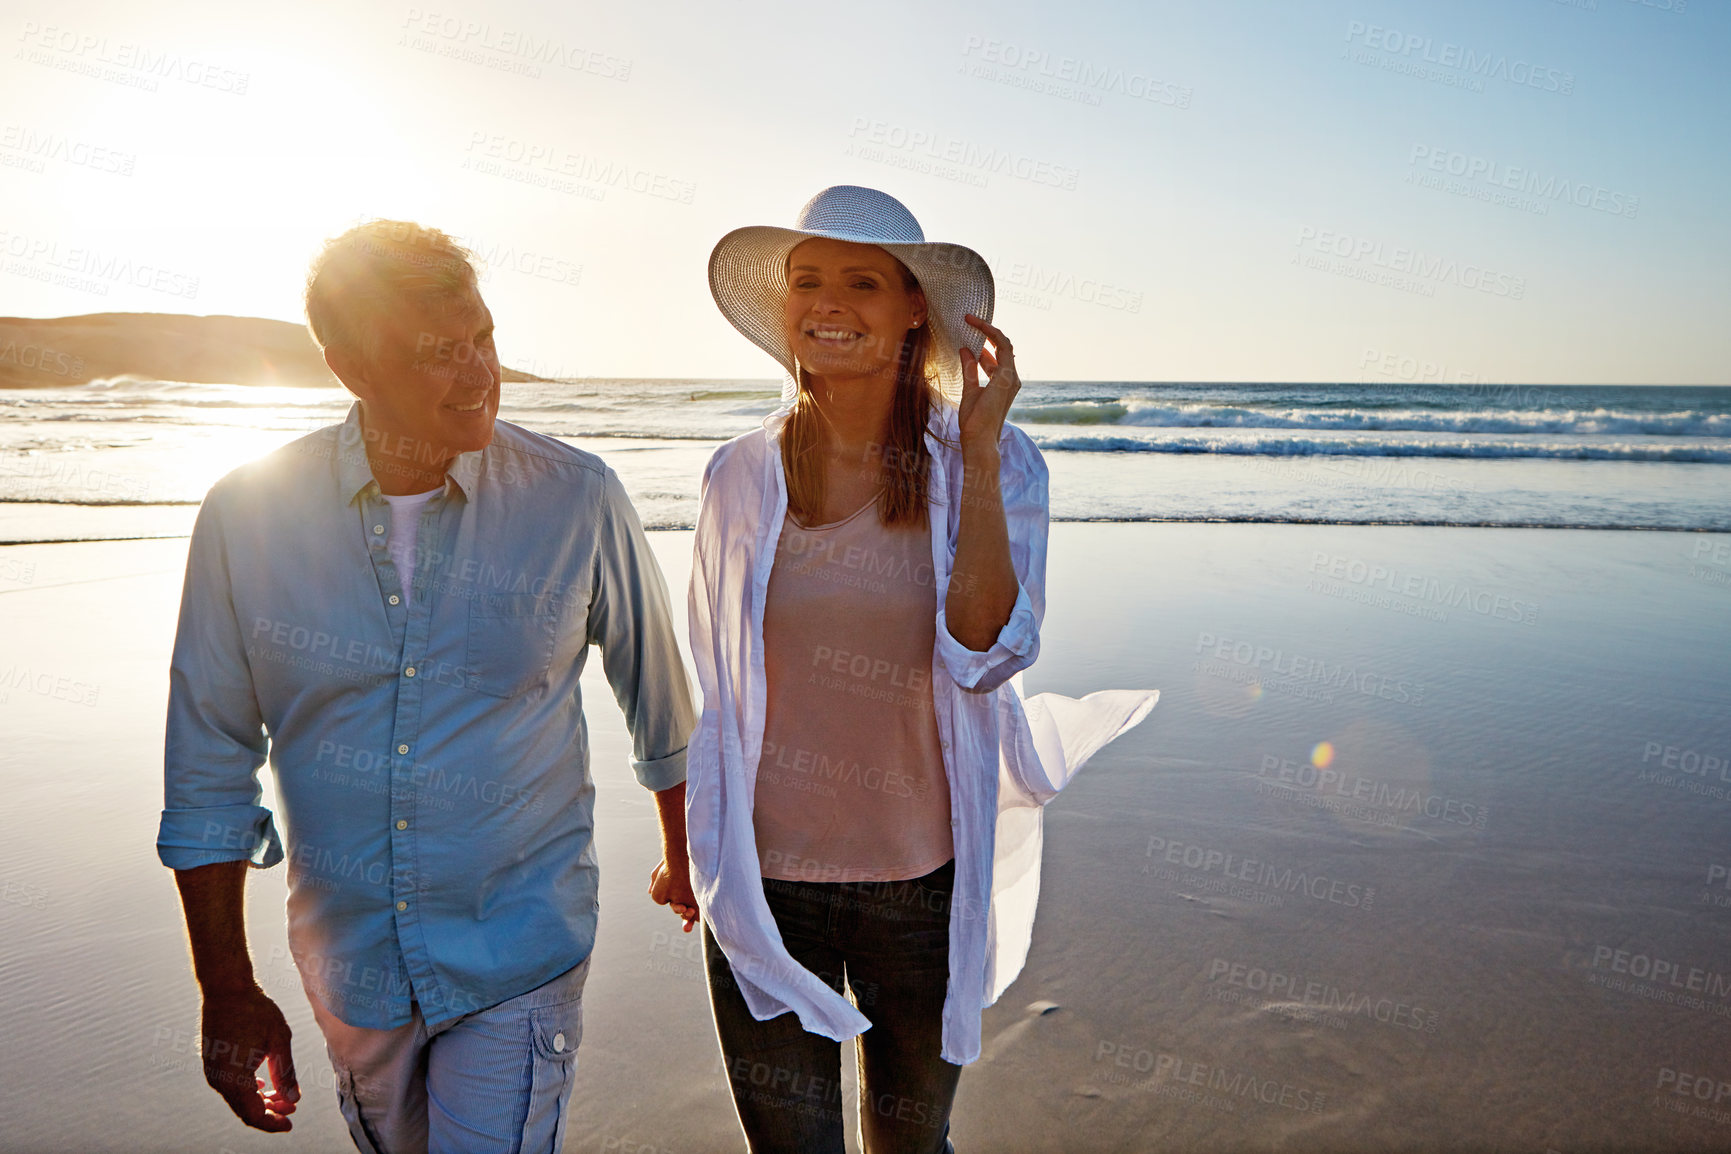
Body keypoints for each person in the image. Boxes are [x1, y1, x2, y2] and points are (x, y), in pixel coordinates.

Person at [156, 220, 698, 1153]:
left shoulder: (575, 496)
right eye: (437, 355)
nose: (478, 373)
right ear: (350, 368)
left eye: (482, 339)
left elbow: (662, 699)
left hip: (518, 948)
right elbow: (207, 768)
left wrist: (684, 854)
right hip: (351, 963)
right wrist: (227, 989)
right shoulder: (246, 518)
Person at [684, 185, 1158, 1153]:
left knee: (910, 1144)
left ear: (914, 309)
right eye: (808, 280)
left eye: (863, 280)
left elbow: (987, 655)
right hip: (762, 875)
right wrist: (690, 838)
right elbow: (718, 688)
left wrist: (976, 454)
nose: (830, 301)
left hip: (920, 882)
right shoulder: (739, 474)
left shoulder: (996, 463)